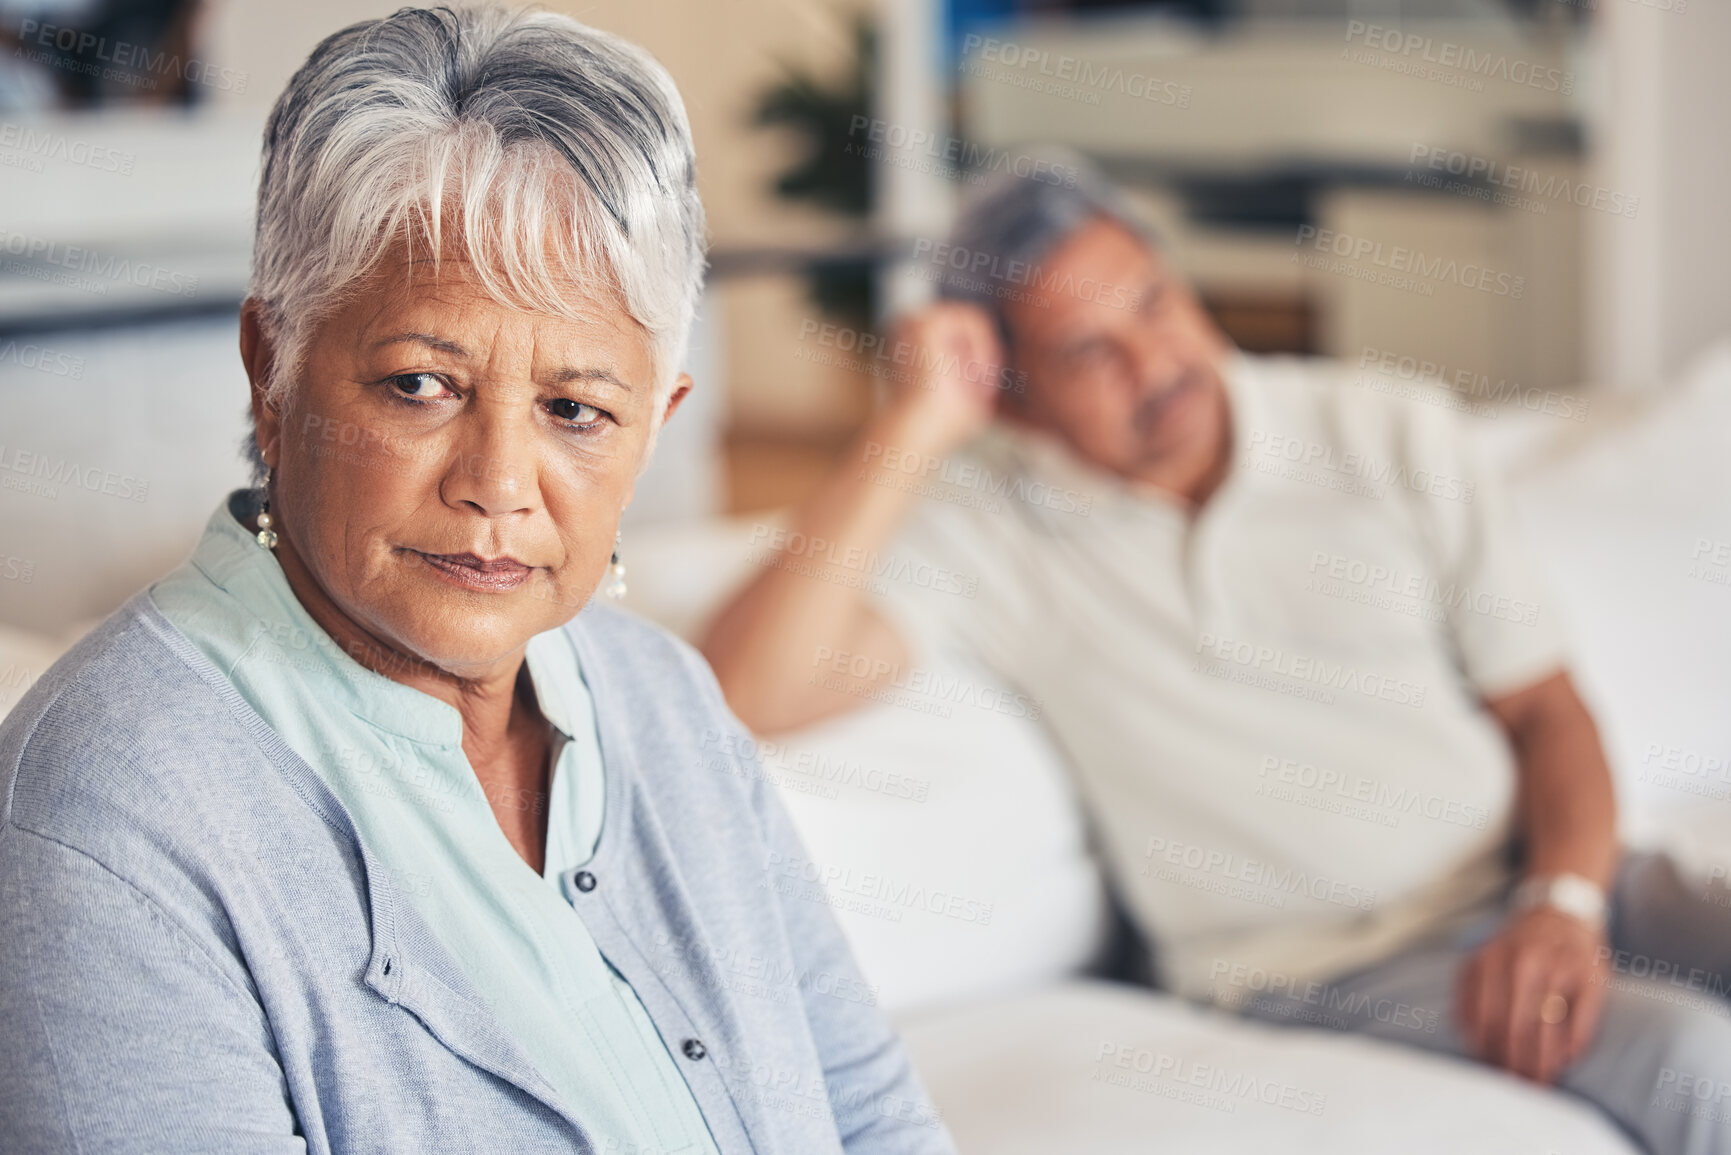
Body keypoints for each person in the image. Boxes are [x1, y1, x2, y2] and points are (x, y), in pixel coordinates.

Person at [0, 8, 954, 1153]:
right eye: (420, 385)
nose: (499, 484)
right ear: (272, 369)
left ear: (657, 426)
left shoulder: (666, 701)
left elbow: (874, 1117)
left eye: (575, 411)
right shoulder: (112, 820)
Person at [700, 159, 1731, 1154]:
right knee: (1693, 1060)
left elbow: (1547, 709)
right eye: (1089, 352)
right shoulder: (986, 531)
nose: (1154, 365)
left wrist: (1563, 900)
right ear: (1013, 398)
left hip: (1546, 872)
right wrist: (915, 425)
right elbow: (744, 691)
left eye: (1152, 304)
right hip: (1329, 962)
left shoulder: (1384, 429)